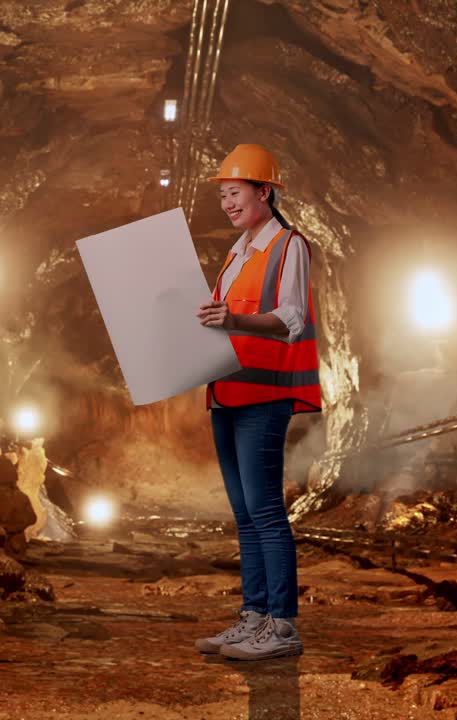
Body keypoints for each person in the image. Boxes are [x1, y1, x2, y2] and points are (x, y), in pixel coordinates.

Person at [193, 144, 321, 661]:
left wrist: (233, 321)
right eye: (222, 194)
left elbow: (290, 319)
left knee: (266, 509)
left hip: (264, 393)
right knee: (244, 512)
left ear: (264, 192)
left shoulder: (289, 246)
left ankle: (282, 626)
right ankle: (253, 617)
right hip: (227, 391)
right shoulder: (237, 252)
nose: (227, 202)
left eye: (235, 192)